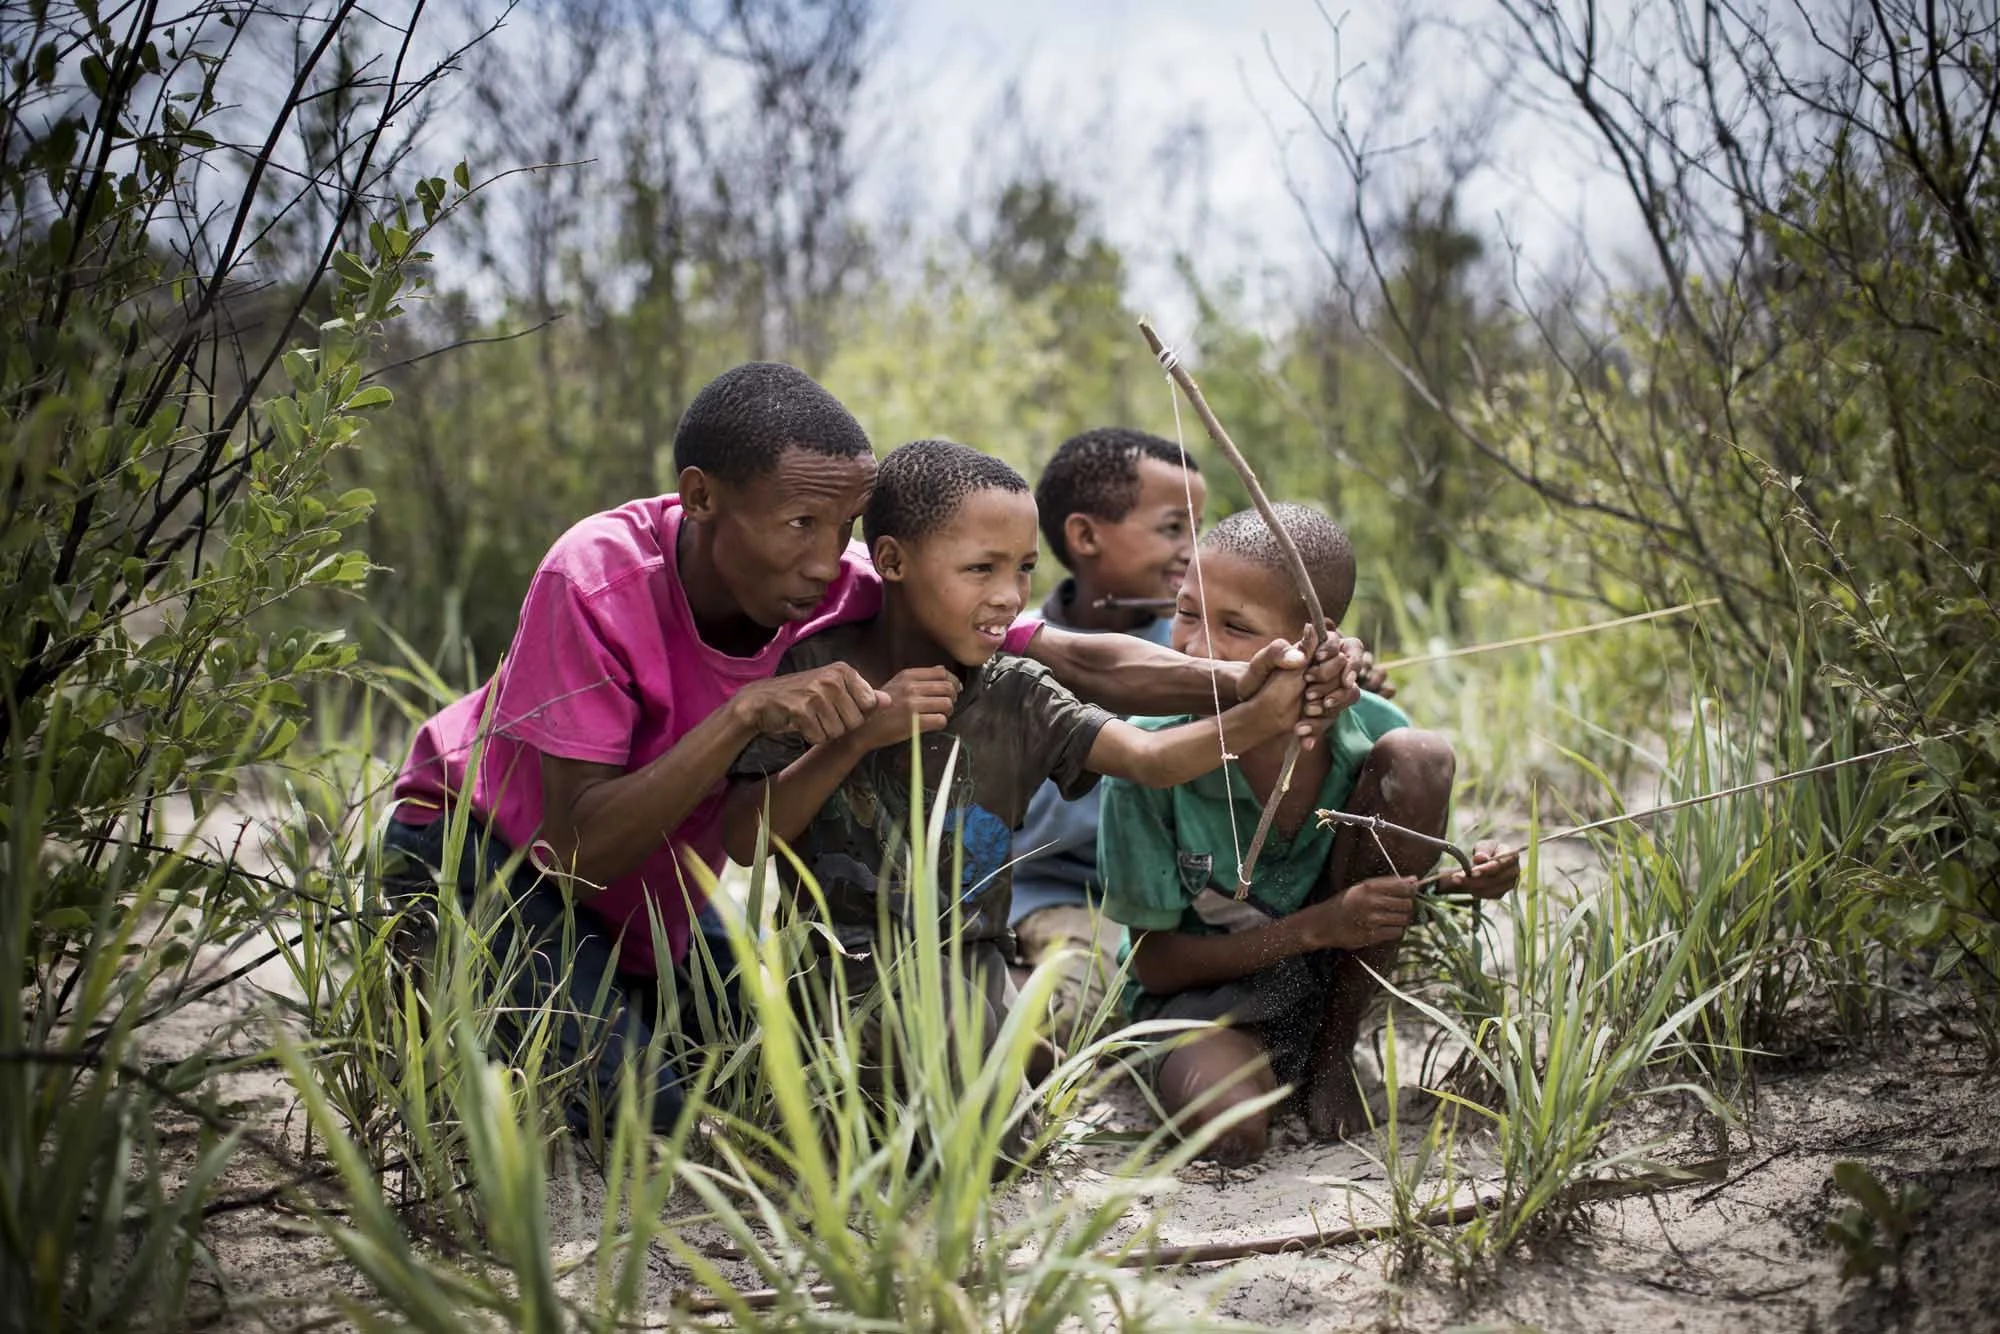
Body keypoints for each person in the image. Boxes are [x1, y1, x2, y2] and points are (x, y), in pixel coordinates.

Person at [381, 362, 1356, 1139]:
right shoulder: (594, 578)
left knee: (778, 1077)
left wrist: (1244, 682)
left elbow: (1074, 656)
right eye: (799, 523)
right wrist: (745, 714)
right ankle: (437, 977)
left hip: (654, 903)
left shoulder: (845, 582)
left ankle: (570, 998)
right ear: (701, 497)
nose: (824, 555)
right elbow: (578, 848)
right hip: (489, 857)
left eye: (842, 526)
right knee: (653, 1116)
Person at [719, 440, 1325, 1084]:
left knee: (993, 1129)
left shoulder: (1016, 690)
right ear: (891, 560)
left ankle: (1014, 1046)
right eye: (982, 569)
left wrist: (1255, 712)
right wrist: (855, 738)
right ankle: (1010, 1050)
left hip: (968, 968)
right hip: (832, 978)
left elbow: (1149, 757)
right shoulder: (817, 676)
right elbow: (743, 840)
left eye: (1025, 569)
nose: (1010, 596)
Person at [1098, 504, 1521, 1166]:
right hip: (1199, 1001)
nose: (1196, 648)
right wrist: (1316, 927)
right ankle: (1251, 1066)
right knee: (1228, 1130)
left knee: (1421, 755)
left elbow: (1393, 881)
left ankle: (1333, 1051)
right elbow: (1152, 961)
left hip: (1331, 990)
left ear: (1318, 639)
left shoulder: (1372, 729)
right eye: (1185, 612)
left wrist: (1472, 875)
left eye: (1236, 626)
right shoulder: (1150, 752)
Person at [1008, 428, 1207, 1046]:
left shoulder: (1199, 644)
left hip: (1178, 901)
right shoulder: (1009, 647)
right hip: (1068, 895)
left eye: (1200, 529)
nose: (1193, 551)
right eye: (1174, 528)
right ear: (1085, 535)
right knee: (1074, 1017)